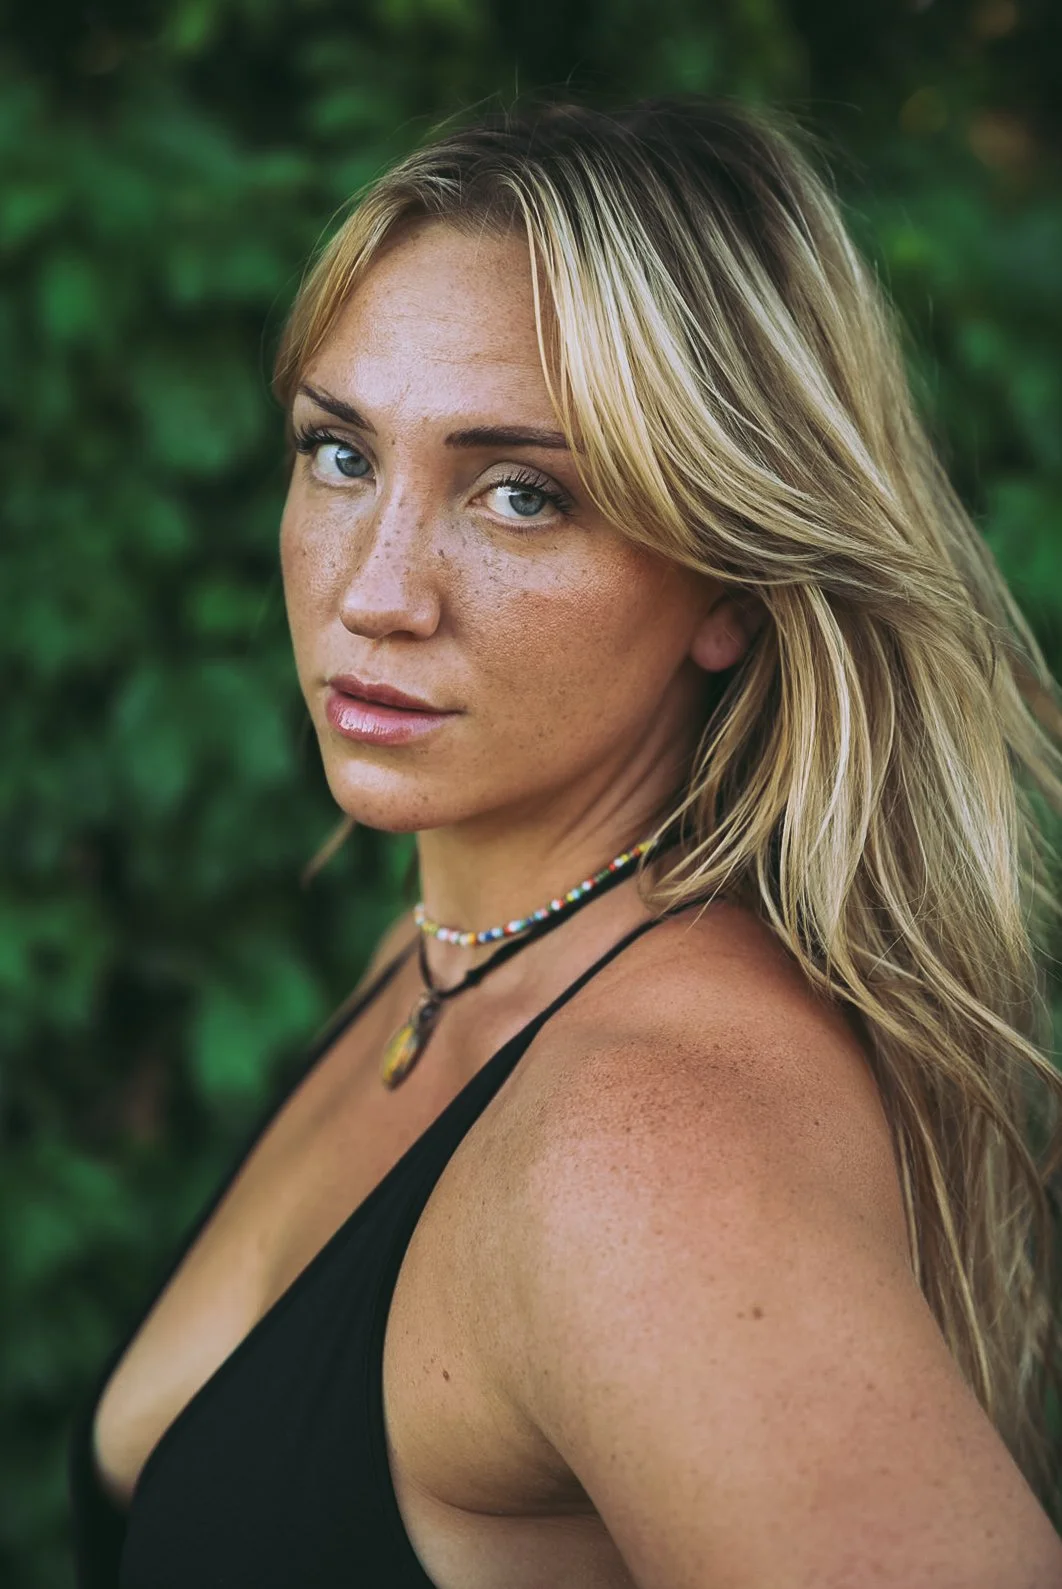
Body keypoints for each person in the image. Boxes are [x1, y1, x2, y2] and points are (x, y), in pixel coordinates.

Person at [70, 96, 1062, 1588]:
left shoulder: (649, 1156)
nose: (377, 590)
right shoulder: (451, 951)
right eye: (339, 453)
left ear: (729, 581)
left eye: (521, 494)